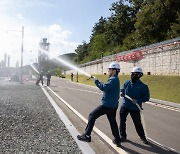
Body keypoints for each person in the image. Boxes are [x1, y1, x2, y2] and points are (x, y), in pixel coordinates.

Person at [77, 62, 121, 147]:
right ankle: (117, 140)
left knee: (92, 115)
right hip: (113, 105)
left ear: (114, 70)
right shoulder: (114, 79)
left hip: (107, 105)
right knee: (112, 122)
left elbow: (104, 88)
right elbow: (107, 87)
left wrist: (96, 81)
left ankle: (87, 135)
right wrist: (100, 82)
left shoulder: (113, 79)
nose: (108, 70)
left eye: (110, 69)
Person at [120, 66, 150, 144]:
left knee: (137, 123)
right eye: (132, 74)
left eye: (134, 74)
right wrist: (122, 93)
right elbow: (122, 89)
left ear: (139, 75)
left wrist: (138, 100)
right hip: (125, 106)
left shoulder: (143, 86)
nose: (132, 75)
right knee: (122, 121)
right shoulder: (126, 83)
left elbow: (147, 97)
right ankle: (123, 136)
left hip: (135, 108)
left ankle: (142, 137)